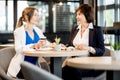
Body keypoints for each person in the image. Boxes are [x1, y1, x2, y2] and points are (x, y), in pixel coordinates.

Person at [7, 7, 52, 78]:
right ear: (27, 17)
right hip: (21, 68)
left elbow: (45, 42)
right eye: (35, 15)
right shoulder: (18, 31)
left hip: (34, 67)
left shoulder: (37, 30)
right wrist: (33, 45)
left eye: (38, 15)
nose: (38, 17)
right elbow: (18, 49)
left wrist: (52, 45)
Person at [62, 4, 105, 80]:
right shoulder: (75, 29)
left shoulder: (97, 30)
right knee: (63, 70)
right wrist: (64, 47)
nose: (76, 17)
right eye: (76, 14)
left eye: (79, 14)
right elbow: (70, 45)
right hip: (73, 61)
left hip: (89, 64)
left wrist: (88, 48)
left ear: (87, 14)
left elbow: (101, 50)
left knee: (72, 71)